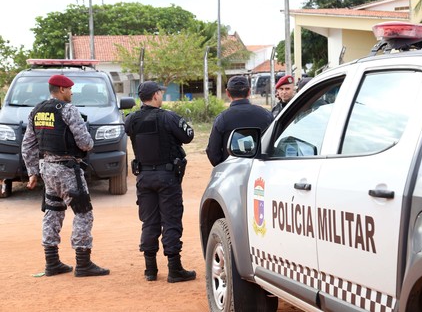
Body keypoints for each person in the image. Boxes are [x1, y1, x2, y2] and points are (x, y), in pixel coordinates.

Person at [21, 74, 109, 277]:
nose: (71, 93)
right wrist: (90, 142)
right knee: (83, 212)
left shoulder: (37, 110)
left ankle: (52, 262)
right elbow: (85, 143)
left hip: (48, 169)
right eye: (70, 89)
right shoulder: (69, 110)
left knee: (53, 212)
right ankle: (83, 262)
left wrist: (32, 172)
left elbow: (28, 144)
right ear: (61, 90)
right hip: (68, 170)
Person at [124, 81, 196, 283]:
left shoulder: (132, 120)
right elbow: (188, 136)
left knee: (149, 222)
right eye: (160, 93)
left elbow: (129, 132)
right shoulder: (168, 117)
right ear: (155, 95)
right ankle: (175, 270)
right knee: (171, 220)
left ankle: (150, 270)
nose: (161, 96)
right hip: (167, 177)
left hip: (144, 177)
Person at [206, 75, 274, 166]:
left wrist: (225, 166)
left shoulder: (222, 119)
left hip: (232, 172)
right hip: (260, 171)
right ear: (249, 92)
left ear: (228, 93)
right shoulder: (266, 115)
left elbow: (213, 153)